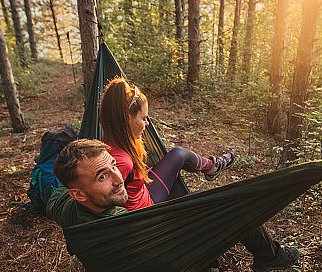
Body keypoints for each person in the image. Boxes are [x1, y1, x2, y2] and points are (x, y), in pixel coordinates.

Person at [47, 139, 300, 272]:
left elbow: (54, 197)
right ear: (78, 194)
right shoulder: (121, 225)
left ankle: (205, 271)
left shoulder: (64, 203)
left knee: (201, 196)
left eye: (114, 166)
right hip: (165, 260)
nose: (118, 178)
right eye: (102, 176)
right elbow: (166, 248)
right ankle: (269, 255)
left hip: (149, 251)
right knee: (232, 206)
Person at [98, 77, 236, 210]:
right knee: (205, 196)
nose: (147, 123)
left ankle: (213, 167)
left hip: (142, 191)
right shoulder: (121, 163)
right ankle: (213, 168)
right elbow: (104, 207)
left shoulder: (112, 138)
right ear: (127, 119)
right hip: (146, 211)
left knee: (179, 154)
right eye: (144, 118)